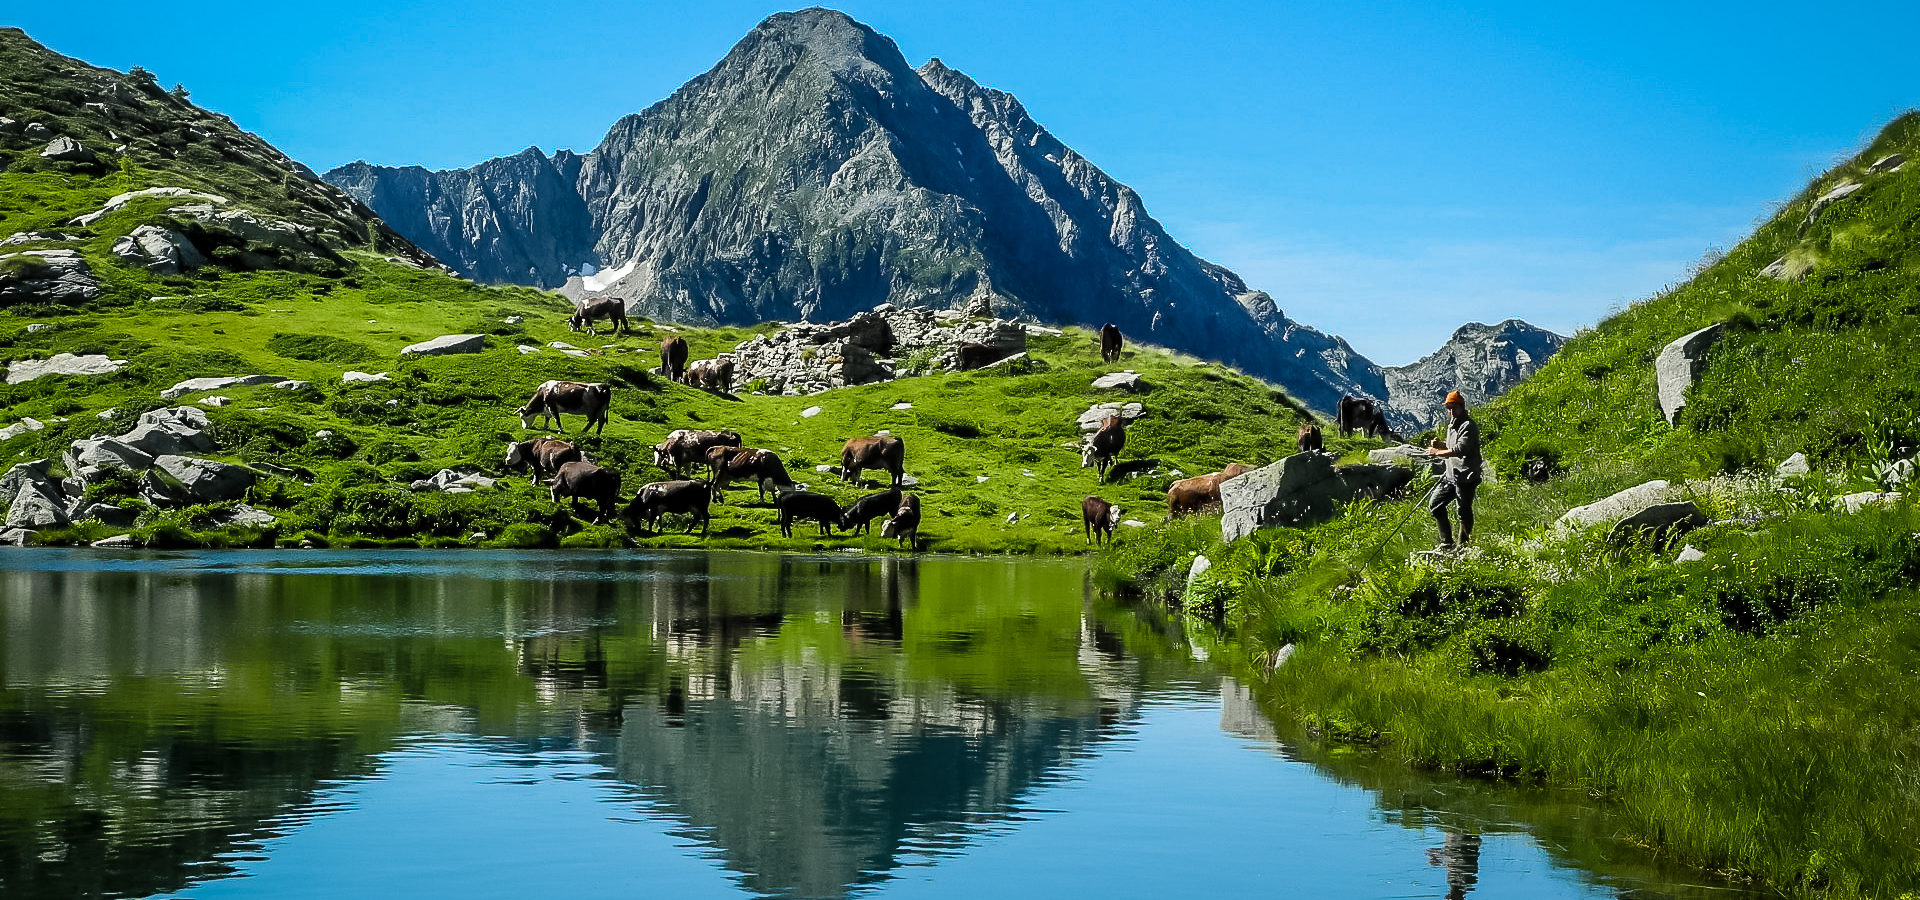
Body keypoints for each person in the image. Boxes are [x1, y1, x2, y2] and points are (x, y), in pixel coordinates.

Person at [1427, 390, 1481, 550]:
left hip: (1466, 476)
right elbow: (1450, 447)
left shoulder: (1468, 426)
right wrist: (1440, 446)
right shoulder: (1452, 425)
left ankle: (1462, 546)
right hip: (1450, 476)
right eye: (1448, 408)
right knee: (1435, 504)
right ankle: (1446, 543)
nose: (1450, 411)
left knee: (1463, 511)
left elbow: (1460, 449)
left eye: (1453, 407)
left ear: (1461, 407)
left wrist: (1437, 453)